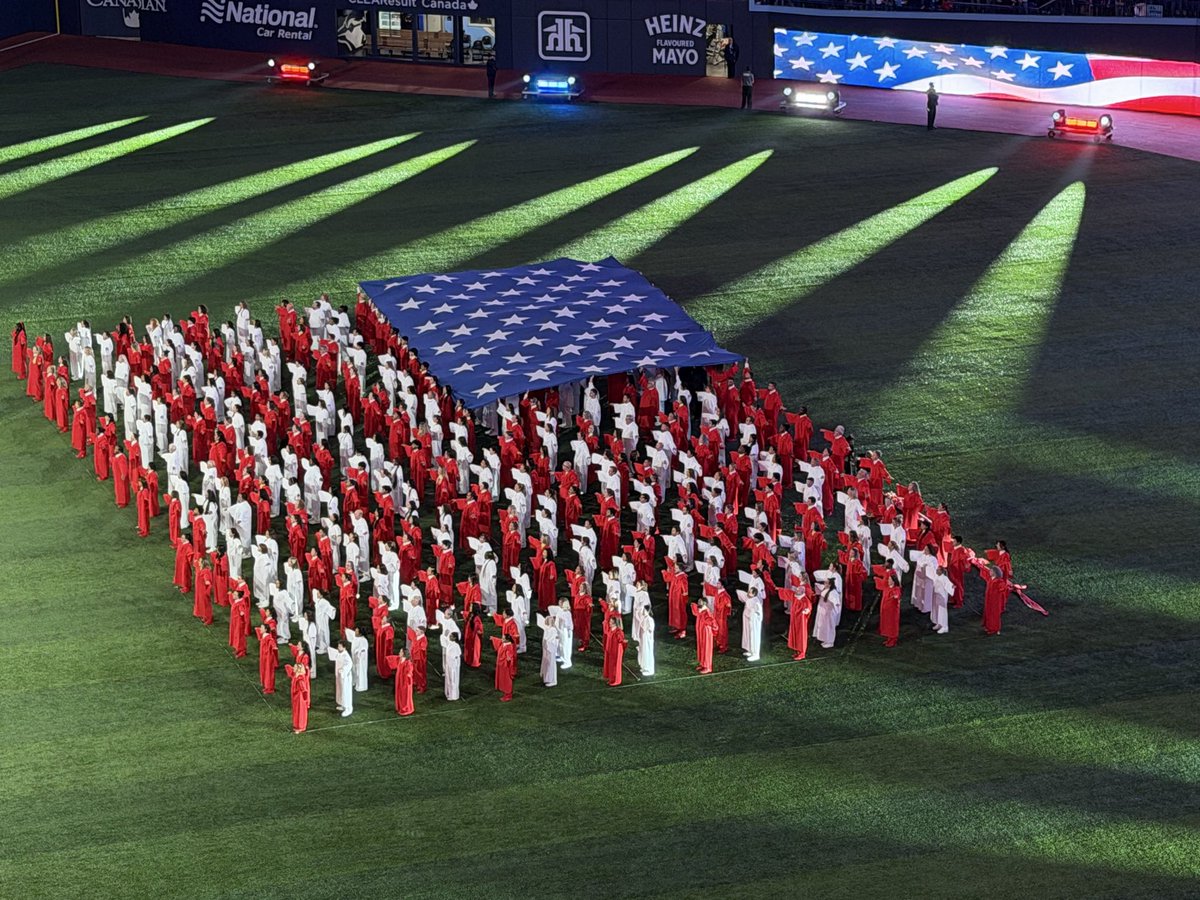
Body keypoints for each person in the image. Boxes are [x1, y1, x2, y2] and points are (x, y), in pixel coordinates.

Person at [385, 647, 415, 716]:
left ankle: (406, 708)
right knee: (399, 692)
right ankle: (400, 707)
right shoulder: (400, 660)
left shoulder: (408, 663)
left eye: (400, 652)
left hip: (405, 681)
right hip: (399, 680)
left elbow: (410, 671)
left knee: (405, 695)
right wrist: (387, 658)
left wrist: (408, 675)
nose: (399, 653)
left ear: (404, 654)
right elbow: (393, 659)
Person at [285, 660, 310, 734]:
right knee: (296, 711)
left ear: (298, 669)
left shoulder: (300, 679)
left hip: (300, 698)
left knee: (300, 712)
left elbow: (304, 690)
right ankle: (296, 725)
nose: (293, 668)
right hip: (296, 697)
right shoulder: (295, 675)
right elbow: (288, 669)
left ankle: (300, 727)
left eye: (295, 667)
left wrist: (306, 700)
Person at [491, 634, 516, 701]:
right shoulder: (504, 643)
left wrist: (508, 658)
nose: (502, 639)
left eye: (503, 638)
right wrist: (493, 638)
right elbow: (499, 641)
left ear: (507, 640)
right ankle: (505, 693)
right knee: (503, 679)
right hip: (501, 665)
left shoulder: (509, 646)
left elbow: (510, 654)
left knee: (507, 680)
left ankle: (508, 695)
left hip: (506, 666)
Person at [440, 630, 462, 700]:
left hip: (453, 666)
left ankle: (454, 695)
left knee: (453, 680)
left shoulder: (456, 645)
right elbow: (443, 640)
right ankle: (449, 693)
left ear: (455, 638)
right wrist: (445, 634)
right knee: (448, 679)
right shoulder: (449, 644)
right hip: (448, 664)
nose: (450, 637)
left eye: (451, 636)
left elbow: (457, 655)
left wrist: (454, 664)